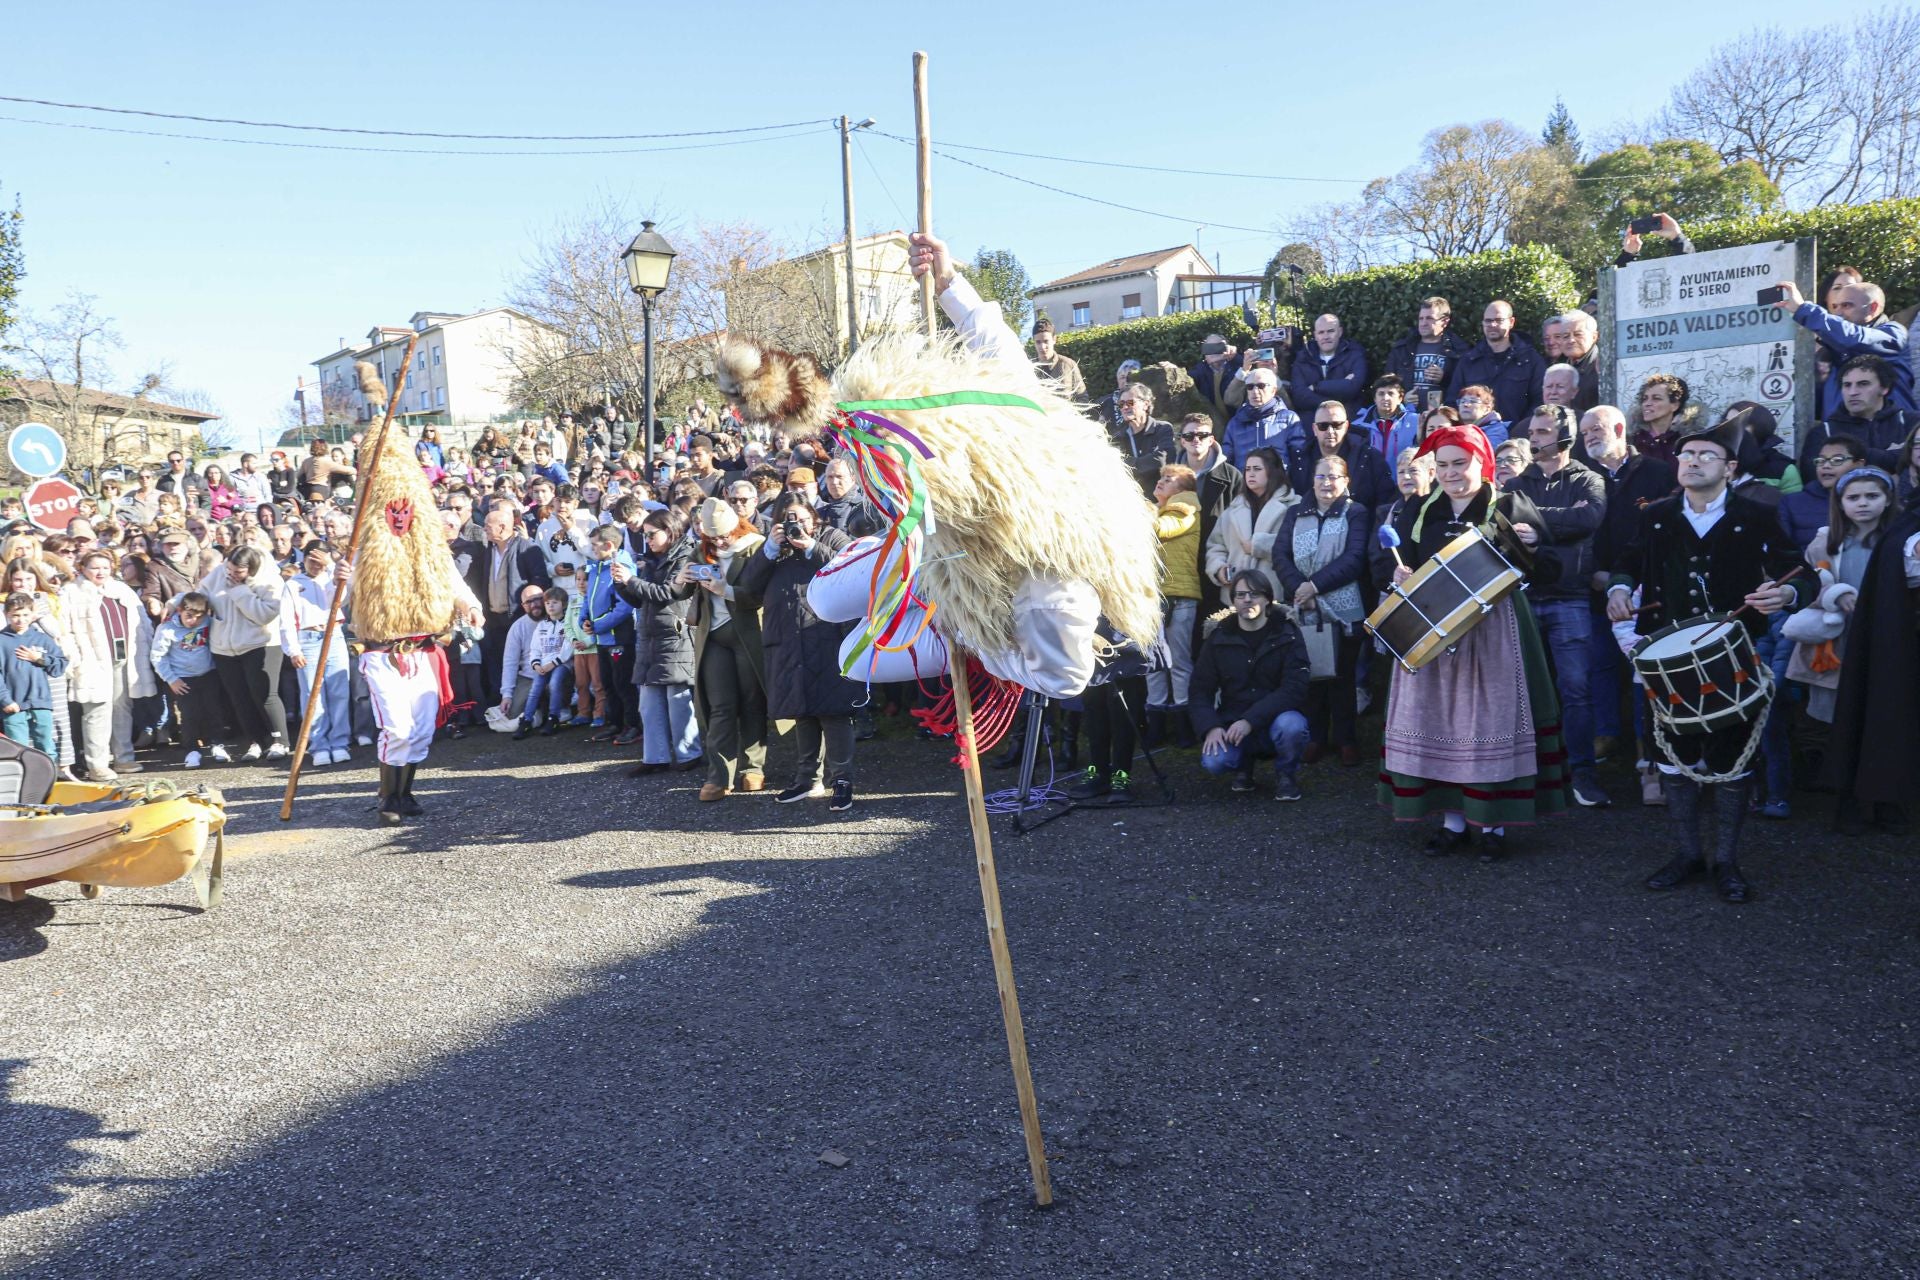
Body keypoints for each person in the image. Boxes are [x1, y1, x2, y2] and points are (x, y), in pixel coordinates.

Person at [1606, 408, 1810, 903]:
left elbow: (1801, 572)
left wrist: (1786, 596)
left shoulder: (1757, 515)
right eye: (1687, 453)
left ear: (1731, 468)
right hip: (1666, 655)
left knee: (1731, 760)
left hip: (1735, 654)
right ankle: (1687, 854)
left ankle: (1727, 862)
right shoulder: (1656, 515)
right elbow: (1628, 561)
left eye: (1706, 455)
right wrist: (1618, 586)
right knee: (1674, 760)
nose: (1692, 461)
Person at [1380, 424, 1567, 857]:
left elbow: (1553, 569)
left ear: (1480, 462)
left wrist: (1534, 544)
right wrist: (1397, 573)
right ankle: (1453, 823)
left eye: (1458, 463)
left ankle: (1493, 828)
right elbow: (1398, 562)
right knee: (1440, 723)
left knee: (1487, 724)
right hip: (1433, 627)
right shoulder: (1421, 509)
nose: (1449, 473)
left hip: (1494, 630)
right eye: (1441, 465)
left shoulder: (1509, 504)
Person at [1507, 405, 1610, 807]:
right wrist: (1556, 524)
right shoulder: (1517, 481)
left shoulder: (1590, 479)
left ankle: (1582, 773)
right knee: (1524, 691)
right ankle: (1527, 773)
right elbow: (1511, 523)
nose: (1535, 438)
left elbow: (1590, 519)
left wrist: (1537, 526)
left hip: (1571, 597)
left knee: (1576, 691)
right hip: (1525, 595)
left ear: (1565, 434)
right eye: (1532, 431)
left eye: (1544, 431)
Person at [1580, 406, 1678, 802]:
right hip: (1595, 587)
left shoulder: (1658, 473)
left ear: (1620, 429)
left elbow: (1668, 529)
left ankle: (1648, 754)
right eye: (1584, 431)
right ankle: (1606, 734)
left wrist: (1631, 579)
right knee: (1599, 664)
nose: (1588, 437)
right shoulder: (1584, 478)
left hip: (1647, 594)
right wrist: (1595, 574)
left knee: (1645, 676)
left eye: (1596, 428)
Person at [738, 494, 857, 811]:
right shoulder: (773, 548)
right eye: (788, 519)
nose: (795, 525)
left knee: (833, 711)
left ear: (813, 518)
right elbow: (748, 587)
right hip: (787, 640)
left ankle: (842, 779)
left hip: (826, 636)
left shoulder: (831, 537)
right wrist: (769, 550)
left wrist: (808, 546)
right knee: (802, 711)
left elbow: (849, 571)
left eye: (801, 518)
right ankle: (807, 779)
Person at [1823, 459, 1920, 836]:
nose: (1862, 504)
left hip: (1893, 634)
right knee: (1851, 714)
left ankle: (1887, 798)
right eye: (1854, 497)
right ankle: (1849, 799)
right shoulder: (1834, 540)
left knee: (1890, 715)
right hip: (1856, 637)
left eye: (1872, 496)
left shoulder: (1899, 531)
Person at [1273, 455, 1371, 767]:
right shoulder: (1295, 513)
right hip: (1304, 607)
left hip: (1344, 608)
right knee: (1312, 677)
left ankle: (1346, 740)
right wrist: (1301, 590)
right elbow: (1280, 555)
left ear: (1346, 482)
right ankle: (1315, 738)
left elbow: (1354, 558)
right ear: (1311, 481)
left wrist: (1314, 586)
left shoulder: (1356, 512)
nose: (1326, 483)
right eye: (1320, 477)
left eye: (1333, 477)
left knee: (1342, 678)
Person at [1189, 569, 1311, 800]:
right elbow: (1199, 690)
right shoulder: (1218, 637)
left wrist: (1250, 720)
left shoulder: (1288, 633)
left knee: (1292, 727)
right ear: (1233, 600)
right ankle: (1243, 769)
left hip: (1277, 719)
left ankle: (1286, 775)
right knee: (1215, 761)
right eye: (1241, 595)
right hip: (1232, 723)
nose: (1247, 600)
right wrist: (1211, 727)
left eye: (1254, 594)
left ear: (1267, 599)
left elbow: (1295, 688)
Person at [685, 496, 768, 801]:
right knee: (720, 707)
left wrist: (727, 591)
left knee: (752, 701)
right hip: (713, 636)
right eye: (712, 536)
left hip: (748, 633)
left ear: (737, 527)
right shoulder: (700, 550)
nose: (719, 542)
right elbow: (678, 590)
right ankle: (718, 776)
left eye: (724, 535)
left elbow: (761, 593)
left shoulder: (756, 546)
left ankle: (753, 768)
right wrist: (683, 578)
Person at [613, 507, 702, 774]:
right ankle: (655, 757)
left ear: (669, 531)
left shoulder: (686, 555)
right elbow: (640, 599)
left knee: (679, 700)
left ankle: (689, 755)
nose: (648, 539)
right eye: (645, 535)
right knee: (649, 703)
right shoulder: (651, 560)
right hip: (651, 636)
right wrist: (622, 583)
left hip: (676, 635)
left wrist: (631, 580)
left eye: (652, 534)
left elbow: (668, 593)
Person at [64, 549, 153, 781]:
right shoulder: (71, 592)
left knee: (122, 707)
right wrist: (75, 659)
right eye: (94, 567)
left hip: (123, 656)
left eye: (105, 567)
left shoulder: (121, 589)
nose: (100, 572)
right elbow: (65, 631)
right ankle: (98, 764)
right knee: (97, 711)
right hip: (91, 659)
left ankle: (124, 758)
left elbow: (141, 622)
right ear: (83, 568)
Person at [1774, 278, 1914, 417]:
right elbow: (1812, 406)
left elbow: (1855, 338)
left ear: (1873, 308)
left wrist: (1803, 309)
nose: (1839, 313)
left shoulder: (1894, 334)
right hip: (1841, 435)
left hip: (1893, 435)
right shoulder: (1831, 349)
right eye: (1835, 307)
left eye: (1847, 306)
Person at [201, 545, 289, 763]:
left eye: (238, 572)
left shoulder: (270, 581)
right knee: (239, 697)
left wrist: (240, 591)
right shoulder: (221, 573)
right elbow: (200, 594)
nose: (231, 575)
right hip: (223, 646)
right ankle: (255, 741)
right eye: (229, 569)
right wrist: (177, 602)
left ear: (251, 569)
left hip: (261, 643)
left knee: (264, 693)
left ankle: (280, 741)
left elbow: (264, 615)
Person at [1145, 464, 1204, 748]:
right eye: (1161, 477)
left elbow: (1160, 529)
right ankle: (1156, 727)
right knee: (1153, 663)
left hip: (1179, 597)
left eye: (1169, 479)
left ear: (1182, 490)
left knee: (1178, 663)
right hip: (1153, 598)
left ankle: (1183, 727)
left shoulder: (1185, 508)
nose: (1161, 481)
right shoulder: (1156, 509)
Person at [280, 540, 352, 767]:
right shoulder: (293, 584)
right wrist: (293, 649)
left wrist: (330, 568)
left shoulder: (333, 579)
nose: (315, 565)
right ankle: (319, 744)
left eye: (319, 559)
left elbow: (336, 600)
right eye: (311, 559)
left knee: (339, 691)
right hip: (308, 639)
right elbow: (286, 621)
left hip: (334, 636)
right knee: (312, 694)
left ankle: (340, 742)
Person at [1204, 446, 1295, 606]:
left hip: (1274, 596)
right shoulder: (1233, 509)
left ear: (1273, 471)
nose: (1250, 474)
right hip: (1235, 598)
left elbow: (1299, 546)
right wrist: (1219, 568)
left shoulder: (1293, 506)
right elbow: (1216, 546)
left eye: (1257, 469)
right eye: (1247, 469)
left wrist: (1259, 545)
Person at [1798, 354, 1915, 476]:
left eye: (1863, 384)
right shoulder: (1823, 432)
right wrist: (1894, 456)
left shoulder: (1911, 423)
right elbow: (1813, 478)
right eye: (1847, 385)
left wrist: (1845, 459)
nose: (1853, 392)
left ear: (1884, 388)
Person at [1283, 400, 1394, 513]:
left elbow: (1385, 500)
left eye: (1336, 425)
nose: (1330, 431)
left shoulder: (1369, 457)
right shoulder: (1299, 458)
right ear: (1314, 429)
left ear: (1346, 426)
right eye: (1323, 426)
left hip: (1360, 524)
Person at [1446, 301, 1544, 425]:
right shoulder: (1468, 361)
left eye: (1499, 320)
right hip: (1475, 438)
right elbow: (1453, 401)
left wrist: (1521, 429)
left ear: (1511, 322)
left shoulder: (1530, 360)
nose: (1492, 324)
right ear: (1482, 323)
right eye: (1488, 320)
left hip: (1515, 439)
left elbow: (1539, 401)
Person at [0, 591, 68, 755]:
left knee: (46, 748)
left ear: (32, 614)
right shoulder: (2, 640)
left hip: (40, 703)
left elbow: (60, 665)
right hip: (13, 705)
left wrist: (40, 658)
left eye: (25, 615)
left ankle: (48, 780)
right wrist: (5, 700)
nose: (21, 619)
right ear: (6, 614)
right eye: (16, 615)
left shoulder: (42, 639)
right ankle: (22, 780)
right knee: (18, 750)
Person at [1385, 297, 1474, 415]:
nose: (1423, 323)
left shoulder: (1458, 350)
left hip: (1442, 418)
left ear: (1445, 321)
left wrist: (1444, 377)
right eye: (1421, 318)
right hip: (1406, 417)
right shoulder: (1402, 349)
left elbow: (1467, 385)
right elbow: (1387, 382)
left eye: (1429, 318)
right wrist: (1402, 398)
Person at [511, 586, 573, 739]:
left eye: (555, 603)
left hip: (562, 664)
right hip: (543, 664)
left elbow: (568, 648)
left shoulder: (567, 623)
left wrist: (553, 663)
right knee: (535, 688)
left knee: (554, 683)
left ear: (563, 604)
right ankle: (526, 720)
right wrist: (536, 664)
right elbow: (535, 648)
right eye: (548, 603)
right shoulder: (542, 625)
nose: (550, 606)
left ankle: (553, 718)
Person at [1176, 413, 1242, 554]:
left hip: (1218, 552)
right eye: (1189, 436)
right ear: (1183, 441)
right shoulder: (1169, 476)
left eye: (1202, 436)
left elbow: (1241, 520)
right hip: (1180, 553)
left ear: (1211, 440)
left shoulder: (1232, 476)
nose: (1196, 440)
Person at [1289, 313, 1368, 416]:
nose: (1326, 337)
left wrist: (1316, 387)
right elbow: (1299, 397)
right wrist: (1340, 387)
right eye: (1321, 332)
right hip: (1311, 423)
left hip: (1349, 418)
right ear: (1315, 335)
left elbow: (1352, 388)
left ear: (1340, 332)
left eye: (1330, 331)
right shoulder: (1303, 358)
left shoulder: (1355, 355)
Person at [1220, 369, 1300, 470]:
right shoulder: (1235, 423)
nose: (1255, 391)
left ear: (1273, 390)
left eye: (1261, 386)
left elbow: (1299, 459)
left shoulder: (1289, 419)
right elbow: (1226, 462)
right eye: (1250, 387)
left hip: (1279, 483)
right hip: (1244, 483)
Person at [1111, 384, 1178, 496]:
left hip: (1160, 499)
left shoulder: (1162, 429)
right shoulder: (1118, 436)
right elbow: (1114, 467)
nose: (1125, 407)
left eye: (1130, 402)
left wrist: (1129, 464)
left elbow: (1162, 460)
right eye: (1121, 404)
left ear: (1145, 405)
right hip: (1131, 499)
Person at [1189, 334, 1246, 432]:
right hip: (1215, 428)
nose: (1213, 351)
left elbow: (1253, 369)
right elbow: (1186, 379)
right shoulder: (1200, 370)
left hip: (1241, 425)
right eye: (1209, 347)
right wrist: (1174, 370)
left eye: (1218, 346)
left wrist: (1236, 356)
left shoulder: (1237, 365)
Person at [1629, 373, 1692, 464]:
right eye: (1645, 399)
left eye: (1656, 398)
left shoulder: (1687, 441)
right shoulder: (1632, 441)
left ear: (1674, 405)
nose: (1647, 403)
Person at [816, 458, 884, 537]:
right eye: (830, 477)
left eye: (839, 476)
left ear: (853, 478)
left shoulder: (867, 509)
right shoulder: (819, 514)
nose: (834, 482)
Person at [1352, 375, 1416, 458]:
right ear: (1375, 398)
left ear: (1400, 398)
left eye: (1390, 393)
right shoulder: (1358, 425)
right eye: (1381, 394)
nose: (1385, 398)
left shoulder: (1414, 421)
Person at [1030, 315, 1087, 404]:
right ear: (1033, 342)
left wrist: (1072, 415)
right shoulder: (1028, 369)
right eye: (1038, 342)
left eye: (1046, 341)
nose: (1042, 346)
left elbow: (1082, 397)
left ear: (1054, 339)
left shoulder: (1068, 365)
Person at [1454, 384, 1509, 449]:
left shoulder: (1496, 430)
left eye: (1473, 401)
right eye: (1462, 401)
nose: (1466, 405)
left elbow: (1490, 454)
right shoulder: (1454, 427)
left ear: (1487, 409)